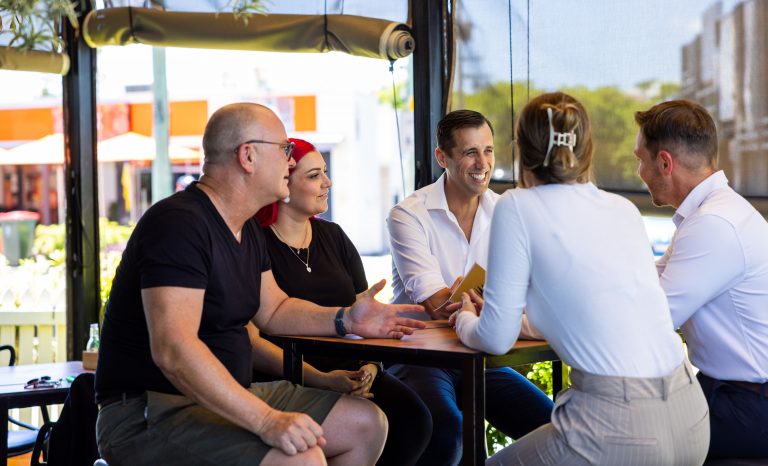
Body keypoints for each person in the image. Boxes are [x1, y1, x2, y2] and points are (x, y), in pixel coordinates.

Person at [94, 103, 425, 466]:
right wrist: (267, 421)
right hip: (151, 411)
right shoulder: (178, 224)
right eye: (284, 150)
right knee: (301, 458)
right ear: (248, 156)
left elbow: (275, 309)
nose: (289, 161)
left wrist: (346, 319)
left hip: (229, 394)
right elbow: (174, 349)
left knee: (365, 424)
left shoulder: (247, 226)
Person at [450, 92, 710, 465]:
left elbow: (494, 337)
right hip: (691, 414)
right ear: (587, 150)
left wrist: (464, 319)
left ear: (521, 149)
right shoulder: (622, 209)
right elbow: (607, 312)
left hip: (615, 422)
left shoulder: (516, 206)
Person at [387, 109, 553, 466]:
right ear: (442, 157)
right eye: (470, 152)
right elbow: (438, 305)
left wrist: (473, 302)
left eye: (489, 150)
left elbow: (529, 294)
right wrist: (479, 303)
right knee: (447, 429)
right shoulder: (408, 215)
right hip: (420, 356)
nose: (483, 163)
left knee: (554, 426)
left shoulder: (507, 212)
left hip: (479, 355)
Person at [253, 138, 432, 466]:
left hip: (351, 371)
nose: (328, 182)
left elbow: (363, 313)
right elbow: (255, 339)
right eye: (314, 175)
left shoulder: (334, 236)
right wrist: (319, 377)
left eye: (325, 172)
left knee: (414, 420)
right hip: (286, 375)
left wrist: (370, 367)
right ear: (283, 184)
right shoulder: (255, 242)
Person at [634, 99, 768, 459]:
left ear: (665, 163)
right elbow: (648, 282)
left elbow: (652, 321)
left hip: (750, 408)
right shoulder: (711, 213)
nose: (639, 173)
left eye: (640, 161)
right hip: (732, 394)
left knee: (626, 437)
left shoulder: (713, 224)